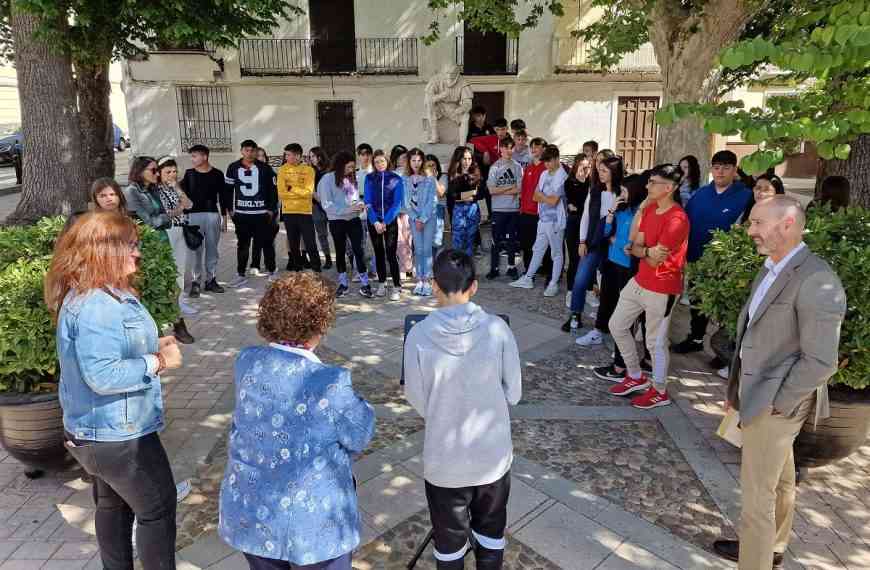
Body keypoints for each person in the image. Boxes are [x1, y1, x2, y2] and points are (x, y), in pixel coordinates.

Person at [712, 196, 846, 570]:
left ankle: (755, 560)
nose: (749, 230)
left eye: (757, 223)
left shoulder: (817, 278)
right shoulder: (772, 265)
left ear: (787, 224)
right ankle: (774, 547)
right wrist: (736, 392)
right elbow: (750, 337)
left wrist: (776, 402)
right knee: (782, 479)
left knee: (757, 500)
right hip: (758, 395)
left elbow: (821, 361)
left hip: (776, 401)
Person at [46, 211, 184, 570]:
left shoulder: (98, 295)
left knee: (113, 504)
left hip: (101, 432)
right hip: (118, 436)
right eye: (130, 246)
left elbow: (105, 352)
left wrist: (151, 344)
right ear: (102, 252)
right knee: (157, 509)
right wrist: (158, 361)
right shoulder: (96, 305)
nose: (137, 253)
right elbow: (103, 376)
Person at [219, 272, 374, 570]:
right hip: (314, 529)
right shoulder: (330, 382)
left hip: (251, 511)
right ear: (320, 324)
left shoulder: (247, 361)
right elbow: (361, 433)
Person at [404, 249, 522, 570]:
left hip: (444, 461)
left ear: (434, 286)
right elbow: (514, 393)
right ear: (474, 286)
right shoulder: (498, 329)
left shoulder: (417, 335)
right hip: (492, 460)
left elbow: (416, 397)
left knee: (449, 546)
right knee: (491, 537)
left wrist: (445, 411)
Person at [608, 164, 690, 409]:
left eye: (652, 182)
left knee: (655, 342)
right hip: (640, 280)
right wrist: (642, 210)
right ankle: (634, 376)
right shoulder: (650, 207)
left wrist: (640, 251)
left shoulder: (677, 218)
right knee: (617, 325)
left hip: (662, 286)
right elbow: (634, 241)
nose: (647, 186)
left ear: (669, 188)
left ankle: (660, 390)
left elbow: (655, 258)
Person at [674, 150, 752, 355]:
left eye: (726, 168)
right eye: (716, 167)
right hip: (697, 259)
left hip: (727, 264)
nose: (720, 172)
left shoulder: (745, 196)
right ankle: (696, 337)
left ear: (734, 170)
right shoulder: (700, 194)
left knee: (725, 307)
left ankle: (723, 348)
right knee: (697, 301)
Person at [124, 157, 195, 344]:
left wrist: (166, 216)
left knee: (171, 286)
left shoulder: (153, 189)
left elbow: (172, 212)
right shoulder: (132, 191)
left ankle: (177, 325)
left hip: (161, 242)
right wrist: (169, 216)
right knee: (154, 287)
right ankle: (165, 328)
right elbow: (150, 222)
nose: (157, 173)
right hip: (145, 245)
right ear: (140, 171)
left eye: (157, 170)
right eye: (153, 170)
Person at [592, 173, 653, 379]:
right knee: (610, 309)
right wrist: (610, 213)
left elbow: (636, 241)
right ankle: (621, 361)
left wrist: (626, 244)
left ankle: (621, 365)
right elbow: (604, 232)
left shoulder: (641, 213)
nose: (622, 194)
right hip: (611, 265)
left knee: (624, 318)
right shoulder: (621, 210)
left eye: (625, 191)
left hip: (629, 269)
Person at [562, 154, 622, 331]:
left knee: (608, 284)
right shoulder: (595, 191)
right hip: (592, 242)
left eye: (604, 170)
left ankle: (607, 319)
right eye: (599, 170)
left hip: (612, 245)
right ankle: (575, 315)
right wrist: (582, 241)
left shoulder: (622, 193)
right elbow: (586, 217)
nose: (600, 173)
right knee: (580, 279)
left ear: (614, 172)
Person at [510, 144, 568, 297]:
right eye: (545, 162)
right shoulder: (544, 174)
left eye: (549, 161)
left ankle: (553, 283)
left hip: (555, 221)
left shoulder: (562, 176)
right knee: (538, 249)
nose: (547, 165)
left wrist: (543, 197)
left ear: (556, 159)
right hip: (542, 219)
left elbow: (554, 201)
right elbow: (535, 196)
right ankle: (528, 278)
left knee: (556, 253)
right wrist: (544, 197)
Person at [318, 151, 372, 298]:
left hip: (353, 219)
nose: (351, 170)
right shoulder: (326, 180)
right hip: (337, 221)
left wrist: (359, 205)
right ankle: (343, 284)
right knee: (340, 251)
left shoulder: (350, 178)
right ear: (340, 166)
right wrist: (346, 210)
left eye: (353, 167)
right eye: (349, 167)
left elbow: (352, 199)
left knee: (358, 251)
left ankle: (365, 284)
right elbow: (326, 204)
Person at [225, 139, 279, 287]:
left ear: (256, 151)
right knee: (243, 245)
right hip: (242, 214)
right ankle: (240, 274)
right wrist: (230, 209)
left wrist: (270, 210)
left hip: (262, 214)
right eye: (246, 150)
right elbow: (228, 191)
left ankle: (272, 270)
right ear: (242, 151)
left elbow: (273, 191)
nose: (249, 153)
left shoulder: (266, 168)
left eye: (252, 150)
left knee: (267, 243)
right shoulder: (233, 167)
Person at [179, 144, 228, 298]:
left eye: (195, 156)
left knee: (212, 248)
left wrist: (225, 218)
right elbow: (182, 195)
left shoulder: (218, 174)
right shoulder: (189, 174)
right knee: (195, 250)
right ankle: (195, 282)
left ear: (205, 157)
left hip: (212, 215)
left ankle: (211, 280)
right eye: (191, 156)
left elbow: (223, 196)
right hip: (193, 216)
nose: (192, 159)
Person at [156, 157, 198, 319]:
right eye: (168, 172)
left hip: (180, 229)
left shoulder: (175, 187)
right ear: (159, 173)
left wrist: (178, 190)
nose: (172, 175)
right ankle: (167, 303)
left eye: (174, 171)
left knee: (180, 267)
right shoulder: (157, 190)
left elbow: (190, 205)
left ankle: (180, 301)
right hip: (167, 230)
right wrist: (180, 207)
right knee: (169, 267)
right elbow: (168, 213)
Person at [365, 150, 404, 301]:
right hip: (374, 221)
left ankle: (396, 285)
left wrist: (385, 222)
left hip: (390, 221)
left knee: (390, 253)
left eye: (382, 161)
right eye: (376, 162)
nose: (379, 164)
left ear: (387, 161)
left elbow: (397, 203)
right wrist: (375, 221)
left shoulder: (396, 179)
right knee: (378, 253)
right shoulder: (369, 178)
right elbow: (367, 201)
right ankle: (382, 283)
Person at [277, 143, 322, 273]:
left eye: (288, 154)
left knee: (310, 243)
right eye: (286, 154)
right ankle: (298, 270)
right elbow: (281, 193)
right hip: (288, 212)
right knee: (293, 244)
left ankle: (317, 269)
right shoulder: (282, 170)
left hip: (305, 212)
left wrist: (290, 187)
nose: (286, 157)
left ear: (297, 155)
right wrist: (297, 192)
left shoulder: (308, 170)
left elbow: (308, 192)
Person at [485, 136, 523, 281]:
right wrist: (509, 188)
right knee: (496, 240)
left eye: (510, 147)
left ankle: (511, 267)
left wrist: (500, 189)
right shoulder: (495, 167)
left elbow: (519, 189)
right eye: (505, 147)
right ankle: (494, 268)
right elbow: (491, 190)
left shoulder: (517, 166)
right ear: (500, 149)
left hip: (512, 210)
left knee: (512, 240)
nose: (508, 150)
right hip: (498, 209)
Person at [404, 148, 439, 296]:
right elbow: (405, 202)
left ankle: (428, 280)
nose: (416, 163)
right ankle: (419, 280)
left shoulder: (430, 179)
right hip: (414, 219)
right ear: (409, 162)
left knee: (426, 249)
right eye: (413, 160)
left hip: (429, 218)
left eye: (419, 160)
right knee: (418, 249)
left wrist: (423, 218)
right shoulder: (405, 179)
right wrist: (415, 217)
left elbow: (432, 201)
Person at [518, 137, 549, 275]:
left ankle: (548, 269)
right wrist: (521, 208)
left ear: (544, 149)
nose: (534, 149)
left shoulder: (547, 168)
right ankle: (528, 270)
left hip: (541, 213)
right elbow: (524, 190)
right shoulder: (528, 168)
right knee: (527, 244)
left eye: (537, 146)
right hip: (525, 212)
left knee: (545, 245)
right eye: (532, 147)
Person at [564, 154, 592, 300]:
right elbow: (573, 205)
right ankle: (570, 290)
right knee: (574, 258)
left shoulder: (592, 182)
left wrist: (577, 207)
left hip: (588, 223)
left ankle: (588, 291)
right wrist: (576, 207)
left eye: (588, 166)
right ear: (576, 165)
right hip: (574, 223)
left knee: (588, 258)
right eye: (583, 166)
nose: (586, 169)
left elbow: (583, 206)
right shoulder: (570, 182)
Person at [447, 146, 482, 257]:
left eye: (469, 158)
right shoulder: (453, 174)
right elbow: (454, 196)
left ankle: (468, 271)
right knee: (457, 241)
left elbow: (481, 194)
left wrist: (469, 196)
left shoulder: (476, 172)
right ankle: (457, 271)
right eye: (464, 159)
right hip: (459, 210)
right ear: (459, 159)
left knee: (470, 240)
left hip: (472, 209)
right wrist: (471, 194)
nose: (467, 162)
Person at [305, 146, 333, 270]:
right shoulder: (311, 171)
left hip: (331, 207)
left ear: (319, 156)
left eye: (312, 156)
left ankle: (347, 257)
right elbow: (310, 190)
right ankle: (328, 258)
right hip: (317, 207)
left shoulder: (330, 171)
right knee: (322, 234)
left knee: (338, 233)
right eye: (310, 157)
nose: (311, 159)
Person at [390, 145, 414, 278]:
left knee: (408, 239)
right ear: (396, 159)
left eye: (406, 157)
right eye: (401, 157)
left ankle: (408, 267)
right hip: (394, 212)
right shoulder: (392, 174)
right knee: (399, 240)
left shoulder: (410, 173)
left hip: (408, 211)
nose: (404, 160)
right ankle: (404, 267)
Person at [354, 143, 377, 278]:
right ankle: (360, 271)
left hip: (373, 210)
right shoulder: (354, 174)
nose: (365, 157)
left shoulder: (375, 173)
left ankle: (375, 270)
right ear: (358, 156)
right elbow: (349, 193)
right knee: (359, 243)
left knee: (375, 242)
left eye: (368, 153)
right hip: (358, 210)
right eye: (362, 154)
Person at [425, 154, 449, 260]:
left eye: (433, 165)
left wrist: (432, 177)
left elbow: (440, 193)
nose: (431, 168)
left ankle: (437, 266)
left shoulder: (443, 177)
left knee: (437, 240)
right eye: (428, 166)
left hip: (438, 208)